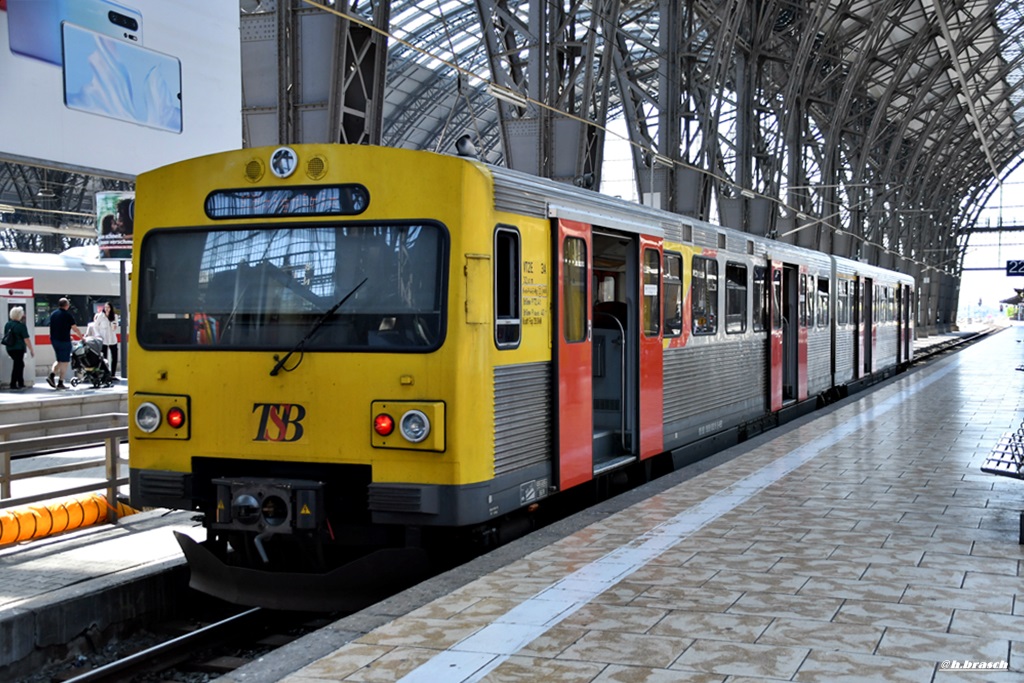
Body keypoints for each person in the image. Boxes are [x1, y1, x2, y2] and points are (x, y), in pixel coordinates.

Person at [48, 298, 83, 391]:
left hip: (54, 340)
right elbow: (75, 329)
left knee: (59, 360)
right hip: (64, 341)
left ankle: (51, 375)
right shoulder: (68, 315)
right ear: (67, 305)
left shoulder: (53, 314)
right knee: (65, 362)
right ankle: (60, 382)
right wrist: (82, 338)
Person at [4, 306, 33, 390]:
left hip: (9, 348)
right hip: (18, 348)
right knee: (18, 365)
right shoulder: (21, 326)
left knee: (20, 364)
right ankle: (13, 384)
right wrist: (31, 349)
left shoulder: (8, 324)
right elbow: (26, 339)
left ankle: (20, 383)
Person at [92, 301, 119, 377]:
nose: (107, 309)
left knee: (114, 356)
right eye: (106, 307)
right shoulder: (101, 316)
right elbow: (96, 326)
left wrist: (114, 326)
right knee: (104, 357)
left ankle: (113, 374)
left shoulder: (114, 316)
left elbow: (115, 326)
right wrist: (98, 335)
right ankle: (105, 374)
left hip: (112, 339)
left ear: (111, 308)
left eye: (108, 307)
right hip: (104, 339)